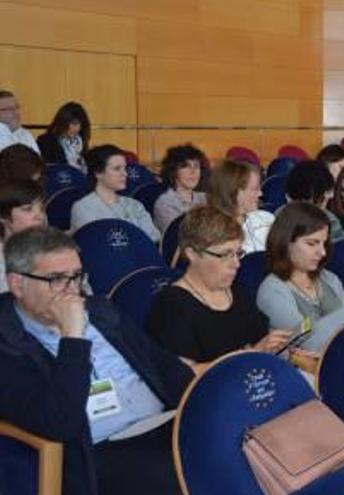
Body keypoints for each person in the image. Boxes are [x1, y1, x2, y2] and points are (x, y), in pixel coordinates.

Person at [0, 226, 193, 495]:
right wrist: (73, 338)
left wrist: (198, 406)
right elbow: (60, 422)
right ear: (17, 284)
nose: (71, 290)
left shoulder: (100, 309)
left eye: (76, 276)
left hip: (164, 424)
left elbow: (159, 360)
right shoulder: (6, 342)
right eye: (56, 278)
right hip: (100, 450)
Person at [146, 206, 291, 362]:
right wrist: (254, 353)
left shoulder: (236, 289)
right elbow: (185, 376)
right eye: (225, 255)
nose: (236, 264)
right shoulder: (171, 305)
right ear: (192, 254)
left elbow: (260, 338)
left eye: (238, 253)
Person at [256, 202, 344, 352]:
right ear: (286, 242)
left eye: (323, 243)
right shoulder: (272, 290)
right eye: (312, 243)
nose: (322, 252)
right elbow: (306, 345)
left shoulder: (329, 278)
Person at [70, 144, 160, 242]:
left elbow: (154, 237)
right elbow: (98, 244)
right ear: (98, 173)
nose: (125, 174)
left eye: (125, 168)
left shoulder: (134, 205)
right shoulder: (83, 207)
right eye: (117, 169)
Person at [208, 159, 274, 253]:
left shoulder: (267, 218)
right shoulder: (212, 231)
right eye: (254, 189)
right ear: (234, 192)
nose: (260, 193)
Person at [285, 160, 344, 242]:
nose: (330, 196)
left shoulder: (330, 219)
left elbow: (342, 247)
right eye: (322, 198)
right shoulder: (279, 220)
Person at [0, 180, 45, 292]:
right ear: (3, 217)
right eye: (28, 209)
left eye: (41, 208)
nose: (40, 216)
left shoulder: (48, 246)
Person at [153, 144, 207, 233]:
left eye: (196, 166)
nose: (193, 172)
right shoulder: (165, 202)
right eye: (185, 166)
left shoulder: (206, 198)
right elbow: (179, 235)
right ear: (174, 171)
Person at [37, 101, 91, 171]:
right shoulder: (46, 142)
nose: (71, 127)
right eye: (68, 123)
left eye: (75, 124)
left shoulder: (81, 143)